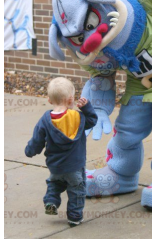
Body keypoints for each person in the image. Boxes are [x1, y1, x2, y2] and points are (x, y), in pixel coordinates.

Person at [25, 77, 98, 226]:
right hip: (75, 167)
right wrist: (87, 108)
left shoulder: (45, 120)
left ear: (50, 100)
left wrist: (30, 151)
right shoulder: (78, 117)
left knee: (55, 183)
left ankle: (51, 201)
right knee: (77, 191)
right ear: (71, 99)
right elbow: (92, 121)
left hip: (55, 167)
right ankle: (75, 217)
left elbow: (37, 141)